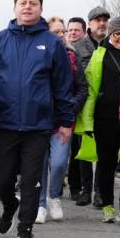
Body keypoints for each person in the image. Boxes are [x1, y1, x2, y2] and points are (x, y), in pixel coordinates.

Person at [0, 0, 76, 238]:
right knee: (1, 180)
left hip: (38, 126)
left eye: (33, 3)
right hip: (6, 123)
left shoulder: (52, 43)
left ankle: (25, 232)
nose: (27, 7)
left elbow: (62, 86)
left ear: (40, 8)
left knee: (32, 180)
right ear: (14, 8)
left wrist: (66, 121)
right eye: (23, 3)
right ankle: (10, 205)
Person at [77, 16, 120, 226]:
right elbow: (91, 87)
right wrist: (88, 119)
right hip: (105, 117)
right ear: (110, 35)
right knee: (106, 163)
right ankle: (108, 206)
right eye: (117, 34)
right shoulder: (99, 54)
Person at [37, 17, 87, 224]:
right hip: (38, 120)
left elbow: (82, 88)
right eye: (54, 32)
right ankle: (40, 205)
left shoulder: (72, 57)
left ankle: (54, 196)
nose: (59, 35)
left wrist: (70, 107)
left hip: (63, 122)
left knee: (58, 164)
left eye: (62, 31)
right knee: (39, 165)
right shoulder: (38, 55)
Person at [68, 7, 110, 206]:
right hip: (84, 106)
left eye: (104, 20)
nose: (102, 23)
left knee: (104, 150)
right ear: (90, 23)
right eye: (98, 20)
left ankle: (100, 191)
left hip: (106, 106)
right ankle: (85, 189)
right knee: (84, 149)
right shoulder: (78, 47)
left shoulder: (112, 45)